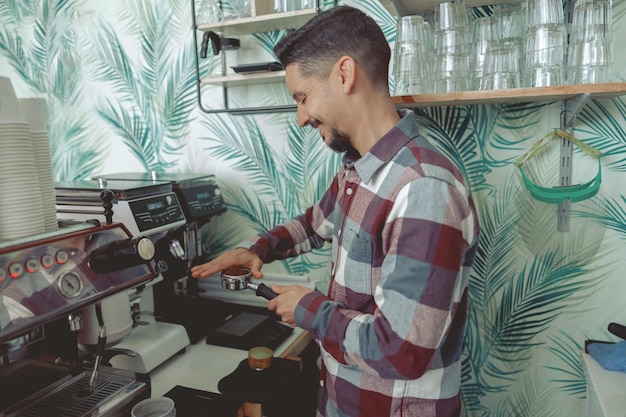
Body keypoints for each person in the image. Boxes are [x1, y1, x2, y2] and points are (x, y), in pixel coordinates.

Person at [191, 5, 479, 417]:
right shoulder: (359, 168)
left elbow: (401, 351)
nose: (301, 117)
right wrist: (260, 250)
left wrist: (310, 310)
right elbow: (316, 223)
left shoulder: (424, 189)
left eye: (303, 97)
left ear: (344, 74)